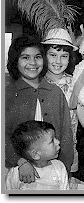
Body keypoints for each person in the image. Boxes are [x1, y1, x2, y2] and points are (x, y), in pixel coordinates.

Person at [5, 35, 73, 184]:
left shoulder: (55, 93)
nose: (33, 63)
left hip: (54, 171)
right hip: (17, 170)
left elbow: (66, 135)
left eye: (37, 57)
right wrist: (20, 162)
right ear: (15, 61)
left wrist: (65, 170)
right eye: (25, 57)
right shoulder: (7, 94)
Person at [41, 28, 79, 175]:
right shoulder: (36, 83)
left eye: (64, 56)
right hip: (39, 151)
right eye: (52, 55)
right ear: (44, 55)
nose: (58, 61)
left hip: (69, 149)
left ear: (70, 58)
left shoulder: (76, 83)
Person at [6, 120, 69, 190]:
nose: (58, 142)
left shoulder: (59, 167)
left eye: (55, 138)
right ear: (35, 154)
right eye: (52, 141)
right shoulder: (17, 173)